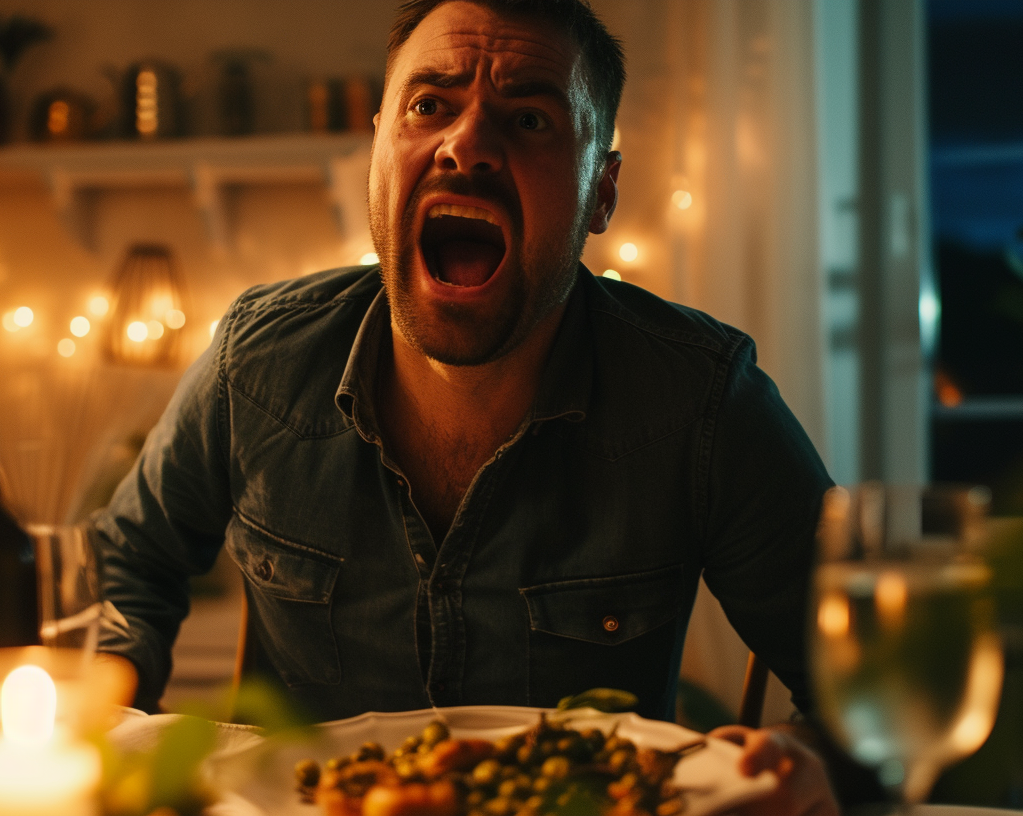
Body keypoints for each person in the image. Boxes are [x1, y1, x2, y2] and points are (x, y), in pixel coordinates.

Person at [93, 2, 843, 813]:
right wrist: (107, 712)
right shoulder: (256, 362)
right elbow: (127, 566)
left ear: (601, 191)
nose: (468, 145)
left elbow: (865, 692)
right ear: (375, 153)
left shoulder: (705, 404)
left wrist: (808, 764)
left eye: (528, 117)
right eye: (428, 106)